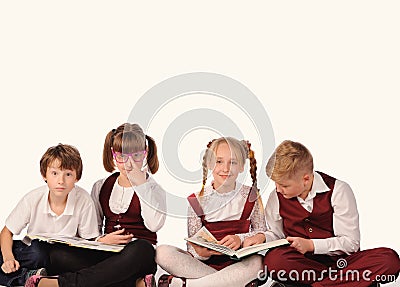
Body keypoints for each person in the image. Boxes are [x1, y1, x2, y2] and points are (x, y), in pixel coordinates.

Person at [25, 123, 167, 287]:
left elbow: (154, 225)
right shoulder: (101, 186)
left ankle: (60, 284)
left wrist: (142, 185)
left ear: (145, 153)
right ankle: (135, 284)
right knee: (57, 255)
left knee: (142, 248)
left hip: (137, 257)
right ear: (113, 154)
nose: (129, 164)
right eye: (122, 156)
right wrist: (103, 240)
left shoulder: (154, 190)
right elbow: (94, 229)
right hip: (107, 256)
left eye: (136, 156)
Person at [244, 140, 400, 287]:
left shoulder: (339, 191)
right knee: (274, 261)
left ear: (306, 179)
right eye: (275, 183)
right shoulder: (276, 197)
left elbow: (351, 244)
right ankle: (347, 282)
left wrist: (311, 245)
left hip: (342, 263)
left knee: (389, 260)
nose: (278, 189)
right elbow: (277, 236)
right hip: (303, 265)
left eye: (284, 185)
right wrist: (263, 237)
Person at [156, 137, 266, 287]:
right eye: (219, 161)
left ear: (241, 166)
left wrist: (240, 238)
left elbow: (262, 233)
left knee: (258, 262)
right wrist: (201, 253)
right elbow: (192, 246)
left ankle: (187, 285)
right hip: (204, 267)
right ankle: (229, 283)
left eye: (233, 162)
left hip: (238, 264)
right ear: (209, 164)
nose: (226, 169)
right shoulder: (197, 200)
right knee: (162, 253)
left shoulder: (251, 196)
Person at [0, 143, 99, 286]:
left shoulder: (84, 200)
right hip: (31, 252)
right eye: (55, 173)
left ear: (77, 177)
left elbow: (88, 242)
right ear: (44, 175)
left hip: (62, 256)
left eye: (68, 174)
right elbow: (6, 232)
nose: (61, 181)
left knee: (52, 256)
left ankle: (33, 277)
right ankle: (28, 276)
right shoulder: (33, 198)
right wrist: (8, 258)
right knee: (35, 251)